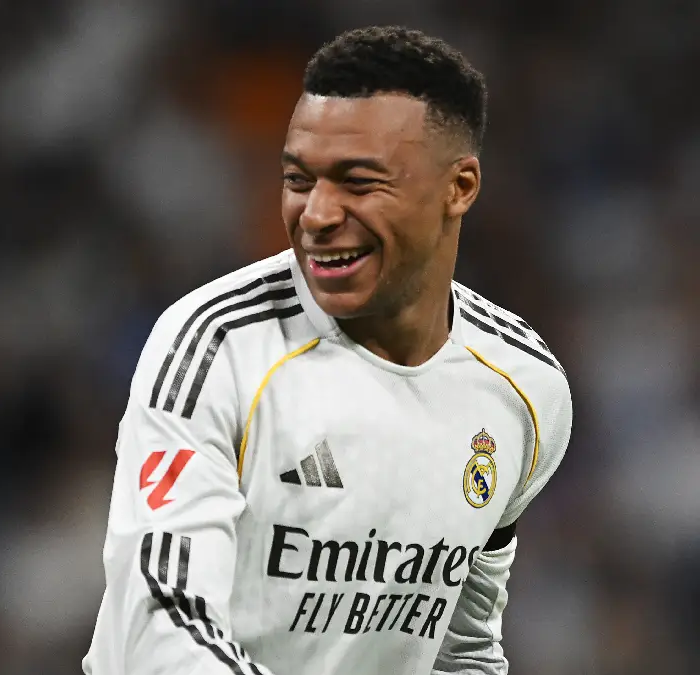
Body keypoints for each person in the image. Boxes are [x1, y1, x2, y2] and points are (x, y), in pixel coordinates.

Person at [84, 25, 571, 675]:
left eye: (358, 182)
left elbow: (463, 646)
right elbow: (164, 622)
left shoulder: (524, 389)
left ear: (459, 187)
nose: (315, 213)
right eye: (298, 178)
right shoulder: (218, 347)